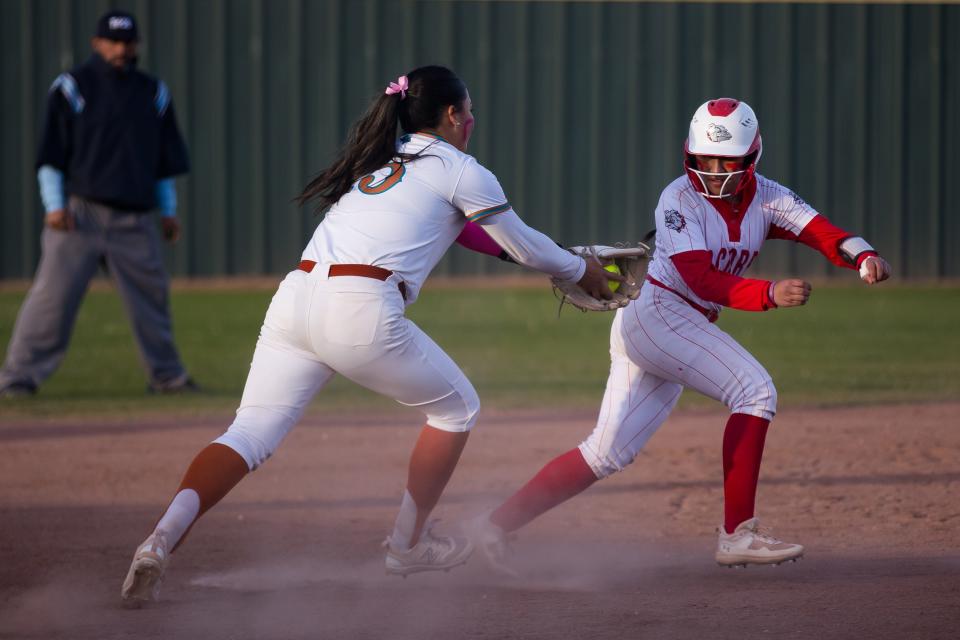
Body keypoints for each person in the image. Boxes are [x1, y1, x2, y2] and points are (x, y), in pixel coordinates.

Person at [119, 65, 620, 606]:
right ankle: (406, 545)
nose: (471, 120)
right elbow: (522, 243)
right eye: (468, 110)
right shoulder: (460, 169)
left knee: (248, 434)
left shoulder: (383, 161)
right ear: (451, 115)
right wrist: (577, 268)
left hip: (296, 298)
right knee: (457, 410)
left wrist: (556, 260)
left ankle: (158, 541)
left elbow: (468, 230)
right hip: (359, 307)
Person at [469, 98, 892, 572]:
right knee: (754, 391)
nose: (713, 170)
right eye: (703, 159)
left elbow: (819, 230)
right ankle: (738, 534)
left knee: (606, 453)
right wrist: (768, 292)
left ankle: (492, 525)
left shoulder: (768, 197)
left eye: (726, 161)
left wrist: (863, 255)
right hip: (662, 313)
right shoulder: (678, 198)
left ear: (752, 158)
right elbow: (699, 279)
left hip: (670, 324)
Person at [0, 11, 197, 398]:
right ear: (96, 43)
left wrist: (168, 209)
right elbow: (51, 156)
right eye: (112, 41)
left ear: (136, 45)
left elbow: (163, 163)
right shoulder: (73, 86)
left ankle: (168, 377)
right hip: (80, 215)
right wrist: (54, 205)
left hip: (136, 218)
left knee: (152, 303)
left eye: (127, 42)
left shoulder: (152, 92)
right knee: (51, 301)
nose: (120, 48)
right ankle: (18, 378)